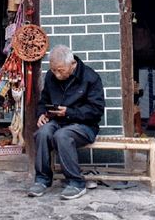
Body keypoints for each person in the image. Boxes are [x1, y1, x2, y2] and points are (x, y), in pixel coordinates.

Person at [27, 45, 105, 200]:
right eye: (53, 70)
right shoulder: (51, 76)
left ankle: (76, 183)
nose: (56, 74)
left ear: (72, 64)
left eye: (60, 70)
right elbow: (44, 101)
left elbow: (96, 110)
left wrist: (69, 112)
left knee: (62, 135)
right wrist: (41, 113)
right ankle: (42, 180)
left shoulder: (90, 77)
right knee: (42, 132)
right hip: (58, 122)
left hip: (85, 126)